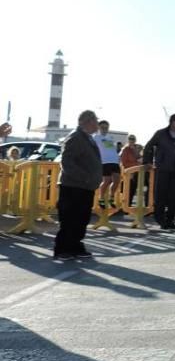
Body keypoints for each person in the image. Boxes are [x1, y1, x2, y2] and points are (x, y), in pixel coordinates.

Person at [53, 110, 102, 260]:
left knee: (81, 218)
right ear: (87, 122)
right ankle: (62, 249)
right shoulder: (75, 137)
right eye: (95, 121)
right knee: (69, 218)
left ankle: (75, 246)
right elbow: (67, 162)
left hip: (84, 187)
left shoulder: (88, 138)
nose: (97, 125)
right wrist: (85, 178)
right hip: (73, 186)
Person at [143, 114, 175, 230]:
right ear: (172, 122)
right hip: (162, 169)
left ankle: (170, 220)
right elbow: (148, 146)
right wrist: (147, 161)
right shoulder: (160, 133)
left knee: (174, 197)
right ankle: (161, 220)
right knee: (160, 196)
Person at [93, 120, 121, 209]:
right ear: (99, 128)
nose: (104, 129)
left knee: (116, 180)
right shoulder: (95, 137)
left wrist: (118, 158)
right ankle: (100, 198)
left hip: (114, 162)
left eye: (106, 128)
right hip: (104, 162)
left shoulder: (110, 138)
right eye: (103, 127)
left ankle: (111, 197)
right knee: (107, 181)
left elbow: (111, 149)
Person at [120, 134, 141, 205]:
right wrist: (137, 163)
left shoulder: (136, 149)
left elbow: (139, 158)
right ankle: (123, 206)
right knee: (125, 190)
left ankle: (127, 206)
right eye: (130, 139)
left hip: (135, 173)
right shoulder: (125, 149)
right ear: (128, 140)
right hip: (127, 173)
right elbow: (124, 162)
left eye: (133, 139)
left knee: (132, 190)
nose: (132, 140)